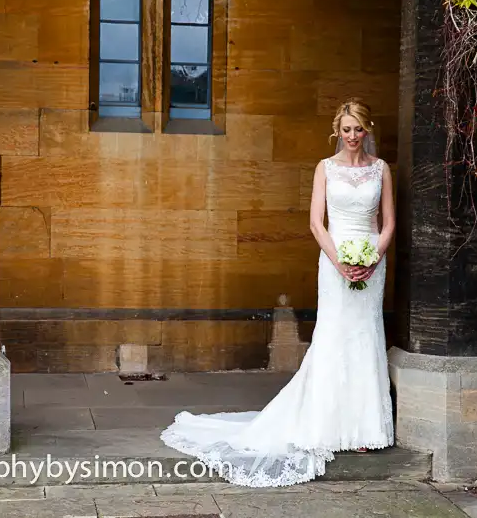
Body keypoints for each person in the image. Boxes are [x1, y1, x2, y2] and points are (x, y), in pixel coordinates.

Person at [159, 98, 396, 487]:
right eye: (347, 129)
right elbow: (316, 224)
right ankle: (328, 423)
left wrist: (372, 257)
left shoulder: (380, 170)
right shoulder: (325, 168)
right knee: (334, 334)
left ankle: (365, 428)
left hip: (372, 259)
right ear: (338, 130)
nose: (353, 136)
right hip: (334, 258)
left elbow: (388, 223)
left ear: (367, 130)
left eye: (359, 129)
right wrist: (340, 262)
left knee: (366, 333)